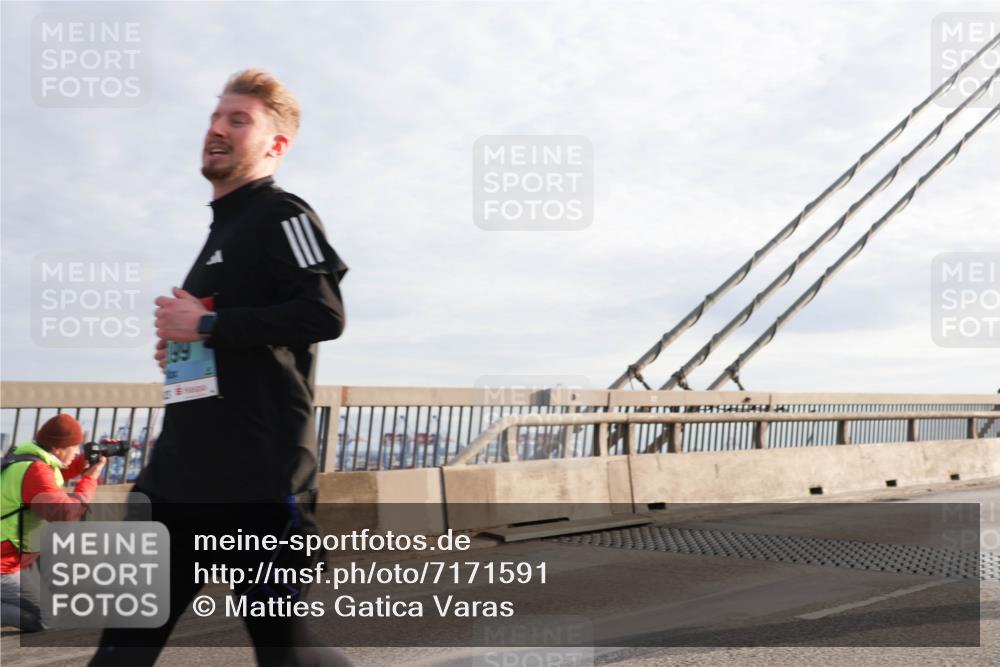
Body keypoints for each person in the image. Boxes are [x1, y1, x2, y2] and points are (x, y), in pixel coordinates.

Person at [89, 70, 350, 666]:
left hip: (254, 483)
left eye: (239, 120)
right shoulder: (220, 233)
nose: (217, 129)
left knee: (284, 651)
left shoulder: (284, 214)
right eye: (215, 117)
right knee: (121, 649)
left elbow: (323, 312)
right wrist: (187, 350)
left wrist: (205, 326)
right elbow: (243, 335)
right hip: (175, 481)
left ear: (275, 145)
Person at [1, 414, 106, 631]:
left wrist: (86, 461)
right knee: (47, 618)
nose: (78, 451)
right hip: (4, 563)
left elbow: (55, 475)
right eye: (75, 447)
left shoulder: (27, 457)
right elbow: (65, 513)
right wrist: (90, 480)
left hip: (16, 555)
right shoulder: (35, 470)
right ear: (58, 449)